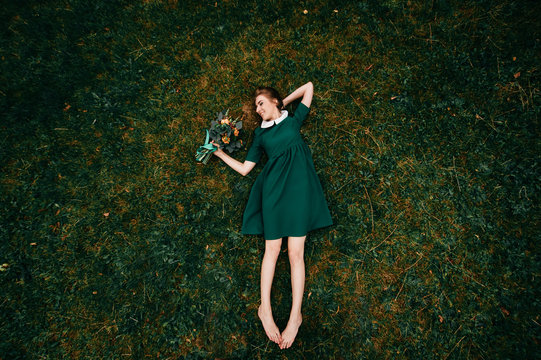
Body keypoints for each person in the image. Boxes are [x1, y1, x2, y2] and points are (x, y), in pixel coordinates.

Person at [211, 82, 333, 349]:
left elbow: (309, 87)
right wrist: (219, 153)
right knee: (273, 249)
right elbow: (245, 169)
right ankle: (264, 308)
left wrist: (282, 103)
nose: (258, 109)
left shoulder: (294, 119)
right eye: (256, 106)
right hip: (274, 192)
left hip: (300, 190)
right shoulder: (260, 136)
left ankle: (295, 316)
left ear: (275, 102)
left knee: (296, 252)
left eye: (261, 103)